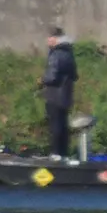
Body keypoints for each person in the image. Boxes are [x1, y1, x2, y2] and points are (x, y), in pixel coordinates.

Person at [38, 27, 77, 158]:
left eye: (49, 38)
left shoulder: (56, 54)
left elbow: (52, 76)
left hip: (55, 96)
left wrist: (42, 80)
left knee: (55, 125)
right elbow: (74, 75)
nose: (47, 41)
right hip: (66, 95)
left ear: (55, 39)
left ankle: (55, 154)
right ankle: (64, 154)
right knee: (63, 125)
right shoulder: (69, 53)